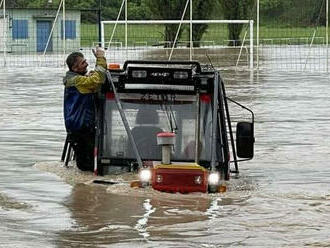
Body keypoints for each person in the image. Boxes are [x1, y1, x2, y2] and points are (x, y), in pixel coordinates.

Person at [63, 47, 107, 171]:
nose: (87, 63)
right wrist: (100, 59)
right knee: (86, 167)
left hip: (82, 127)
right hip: (80, 128)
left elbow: (93, 81)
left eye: (85, 60)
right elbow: (97, 80)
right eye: (83, 63)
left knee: (89, 165)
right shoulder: (77, 81)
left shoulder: (78, 79)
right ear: (75, 69)